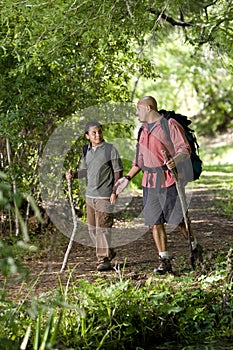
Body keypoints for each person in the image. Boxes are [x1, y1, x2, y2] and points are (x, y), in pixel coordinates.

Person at [114, 96, 202, 274]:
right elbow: (139, 160)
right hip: (149, 182)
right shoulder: (142, 130)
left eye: (138, 109)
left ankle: (195, 249)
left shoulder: (169, 125)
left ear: (148, 108)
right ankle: (164, 260)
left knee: (179, 221)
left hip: (169, 179)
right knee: (155, 222)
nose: (137, 113)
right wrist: (127, 178)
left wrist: (174, 160)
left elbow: (184, 149)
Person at [66, 121, 123, 272]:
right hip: (90, 196)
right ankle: (108, 252)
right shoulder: (86, 150)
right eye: (94, 133)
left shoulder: (110, 149)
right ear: (87, 136)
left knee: (102, 229)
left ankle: (103, 260)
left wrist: (115, 192)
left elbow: (118, 171)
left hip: (104, 196)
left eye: (99, 132)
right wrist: (73, 175)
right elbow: (84, 171)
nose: (98, 135)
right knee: (92, 230)